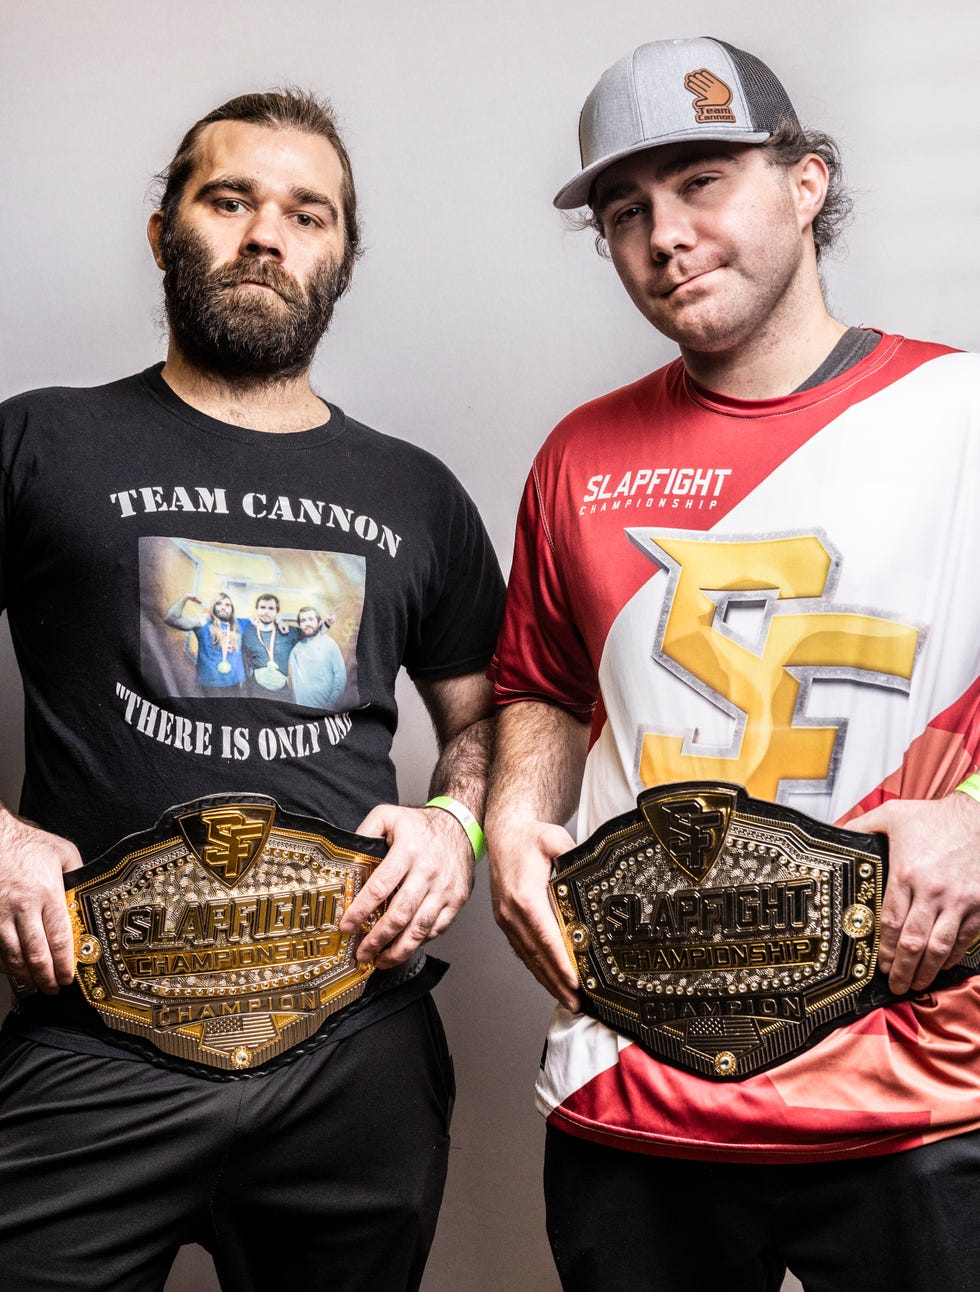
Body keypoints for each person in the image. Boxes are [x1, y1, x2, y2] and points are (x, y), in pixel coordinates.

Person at [485, 36, 980, 1292]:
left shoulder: (959, 414)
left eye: (701, 181)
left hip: (919, 1077)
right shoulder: (576, 456)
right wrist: (507, 823)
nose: (663, 234)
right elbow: (539, 681)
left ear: (804, 181)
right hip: (632, 1079)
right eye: (624, 210)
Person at [0, 89, 504, 1291]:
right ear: (166, 227)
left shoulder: (417, 492)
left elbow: (487, 721)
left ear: (339, 257)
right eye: (229, 199)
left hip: (353, 1038)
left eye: (306, 213)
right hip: (93, 1024)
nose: (265, 234)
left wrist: (455, 821)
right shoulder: (37, 443)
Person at [164, 591, 249, 692]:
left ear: (232, 609)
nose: (223, 607)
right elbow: (171, 619)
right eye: (219, 604)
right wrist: (185, 598)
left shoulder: (241, 624)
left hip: (235, 685)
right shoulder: (203, 622)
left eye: (227, 605)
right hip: (209, 686)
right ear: (213, 606)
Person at [289, 605, 348, 710]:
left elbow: (340, 677)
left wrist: (331, 704)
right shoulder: (296, 650)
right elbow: (294, 683)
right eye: (303, 620)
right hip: (303, 711)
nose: (307, 623)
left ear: (319, 621)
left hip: (327, 709)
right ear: (299, 625)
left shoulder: (330, 645)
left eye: (311, 619)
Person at [241, 592, 296, 693]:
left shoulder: (289, 631)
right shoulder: (247, 631)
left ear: (276, 612)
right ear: (257, 609)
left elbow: (312, 636)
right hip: (256, 691)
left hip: (283, 693)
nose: (266, 612)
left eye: (271, 608)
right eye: (262, 607)